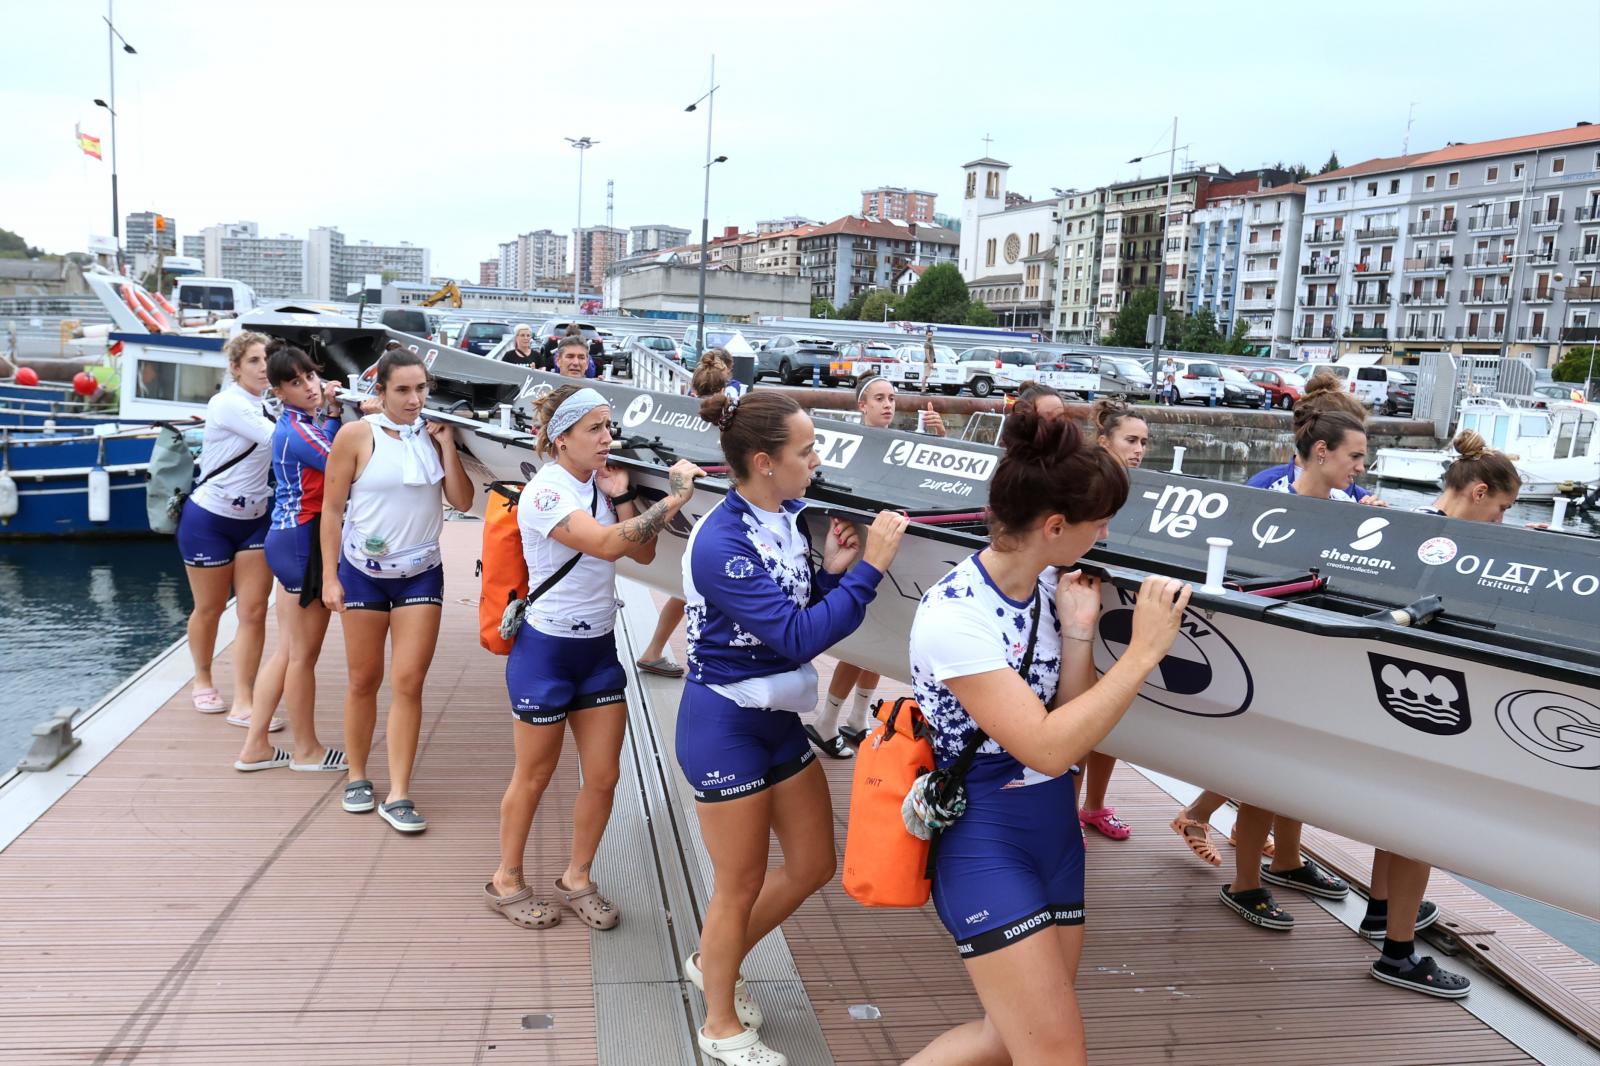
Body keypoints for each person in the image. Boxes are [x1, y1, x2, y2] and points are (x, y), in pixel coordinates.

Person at [903, 401, 1191, 1066]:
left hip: (1054, 834)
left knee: (1005, 1039)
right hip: (987, 843)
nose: (1106, 534)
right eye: (1099, 525)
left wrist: (1080, 633)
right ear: (1055, 525)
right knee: (1057, 1054)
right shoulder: (956, 616)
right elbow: (1047, 744)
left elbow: (1072, 725)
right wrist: (1144, 654)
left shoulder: (1044, 588)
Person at [676, 389, 908, 1066]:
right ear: (764, 462)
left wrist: (829, 573)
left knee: (813, 864)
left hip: (778, 718)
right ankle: (719, 1024)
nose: (818, 460)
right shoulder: (721, 541)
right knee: (739, 884)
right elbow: (795, 637)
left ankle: (713, 957)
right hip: (724, 723)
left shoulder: (788, 516)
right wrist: (868, 570)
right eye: (806, 451)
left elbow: (795, 601)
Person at [485, 383, 703, 932]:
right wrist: (673, 499)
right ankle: (506, 878)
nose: (609, 439)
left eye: (609, 428)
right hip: (546, 651)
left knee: (604, 775)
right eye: (596, 430)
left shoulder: (600, 487)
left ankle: (577, 877)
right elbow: (607, 546)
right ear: (562, 440)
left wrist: (625, 496)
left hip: (598, 648)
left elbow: (645, 551)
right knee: (533, 775)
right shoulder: (546, 492)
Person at [1218, 390, 1363, 931]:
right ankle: (1244, 881)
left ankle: (1285, 862)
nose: (1361, 468)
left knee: (1297, 766)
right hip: (1268, 651)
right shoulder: (1268, 497)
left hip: (1321, 656)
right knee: (1264, 771)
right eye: (1355, 457)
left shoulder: (1354, 509)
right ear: (1321, 452)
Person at [320, 347, 472, 833]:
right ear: (380, 391)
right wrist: (329, 576)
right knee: (364, 679)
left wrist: (447, 445)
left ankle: (401, 791)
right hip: (363, 571)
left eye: (421, 389)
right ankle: (358, 775)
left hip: (421, 572)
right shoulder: (354, 436)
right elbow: (330, 510)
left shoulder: (434, 436)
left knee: (409, 682)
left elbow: (463, 501)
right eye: (403, 390)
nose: (414, 399)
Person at [815, 376, 946, 755]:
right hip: (863, 556)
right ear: (862, 406)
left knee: (883, 641)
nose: (888, 404)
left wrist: (938, 441)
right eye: (879, 398)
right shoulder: (848, 446)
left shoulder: (906, 444)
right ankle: (827, 721)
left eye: (892, 398)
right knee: (858, 642)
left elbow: (928, 485)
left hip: (895, 557)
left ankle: (857, 718)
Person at [235, 341, 350, 773]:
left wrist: (335, 415)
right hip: (302, 543)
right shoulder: (297, 430)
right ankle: (306, 751)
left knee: (286, 651)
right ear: (279, 391)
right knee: (302, 656)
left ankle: (256, 746)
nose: (310, 387)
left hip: (287, 539)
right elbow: (344, 463)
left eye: (311, 377)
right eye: (296, 383)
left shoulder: (302, 422)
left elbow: (330, 449)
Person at [176, 330, 280, 730]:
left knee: (253, 611)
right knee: (210, 608)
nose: (263, 367)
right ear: (235, 368)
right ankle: (202, 678)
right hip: (210, 519)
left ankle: (244, 699)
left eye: (268, 359)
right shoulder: (227, 404)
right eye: (254, 360)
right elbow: (279, 439)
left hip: (255, 517)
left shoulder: (269, 406)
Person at [1072, 397, 1151, 842]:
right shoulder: (1084, 483)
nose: (1139, 450)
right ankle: (1067, 811)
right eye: (1131, 440)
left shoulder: (1146, 490)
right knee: (1079, 711)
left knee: (1108, 716)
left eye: (1144, 442)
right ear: (1104, 441)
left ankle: (1095, 805)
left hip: (1119, 609)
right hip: (1080, 606)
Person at [635, 349, 739, 678]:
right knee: (714, 590)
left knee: (684, 589)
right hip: (716, 511)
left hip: (685, 506)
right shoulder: (736, 407)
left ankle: (654, 649)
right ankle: (710, 662)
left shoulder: (681, 411)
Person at [1421, 429, 1519, 522]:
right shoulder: (1438, 530)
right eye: (1502, 508)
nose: (1499, 521)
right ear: (1480, 493)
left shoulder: (1417, 523)